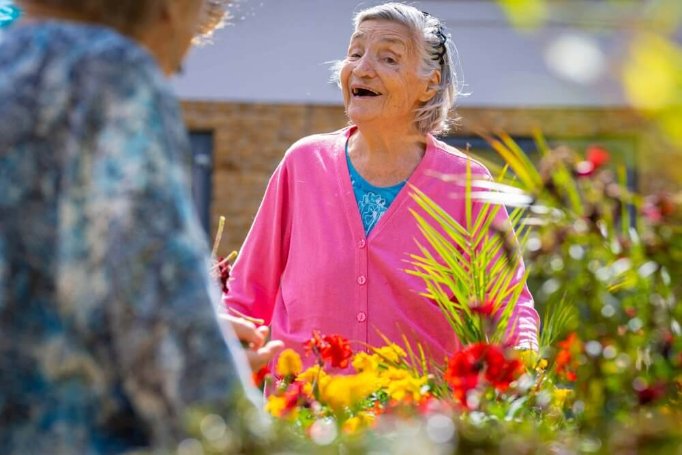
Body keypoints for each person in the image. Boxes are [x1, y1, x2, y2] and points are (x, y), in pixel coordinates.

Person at [0, 0, 281, 453]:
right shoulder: (107, 71)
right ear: (172, 9)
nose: (170, 72)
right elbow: (161, 324)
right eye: (180, 59)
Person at [225, 2, 540, 372]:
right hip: (305, 414)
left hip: (418, 422)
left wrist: (525, 361)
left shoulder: (464, 185)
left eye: (388, 58)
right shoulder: (304, 164)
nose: (361, 69)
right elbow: (248, 295)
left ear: (429, 85)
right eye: (355, 53)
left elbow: (507, 302)